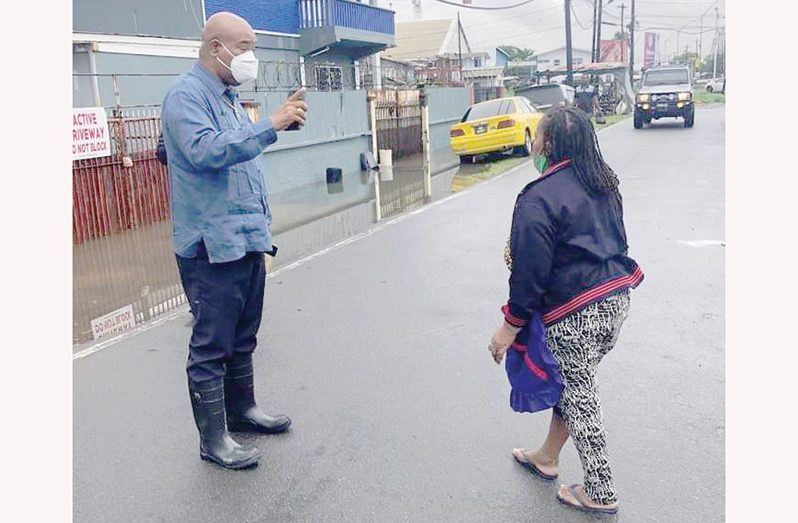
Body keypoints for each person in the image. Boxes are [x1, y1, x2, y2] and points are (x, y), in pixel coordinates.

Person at [161, 11, 308, 470]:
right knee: (211, 345)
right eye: (244, 47)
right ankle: (212, 440)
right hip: (211, 244)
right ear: (215, 47)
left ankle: (241, 412)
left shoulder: (227, 97)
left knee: (244, 335)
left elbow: (241, 155)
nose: (251, 57)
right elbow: (207, 152)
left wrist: (275, 126)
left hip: (244, 238)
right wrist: (271, 124)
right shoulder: (185, 96)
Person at [489, 106, 644, 514]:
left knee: (579, 394)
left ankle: (600, 490)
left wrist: (508, 328)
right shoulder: (604, 184)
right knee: (573, 382)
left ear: (550, 144)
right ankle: (547, 457)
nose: (533, 143)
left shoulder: (538, 197)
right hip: (616, 301)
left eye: (537, 135)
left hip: (578, 313)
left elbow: (529, 273)